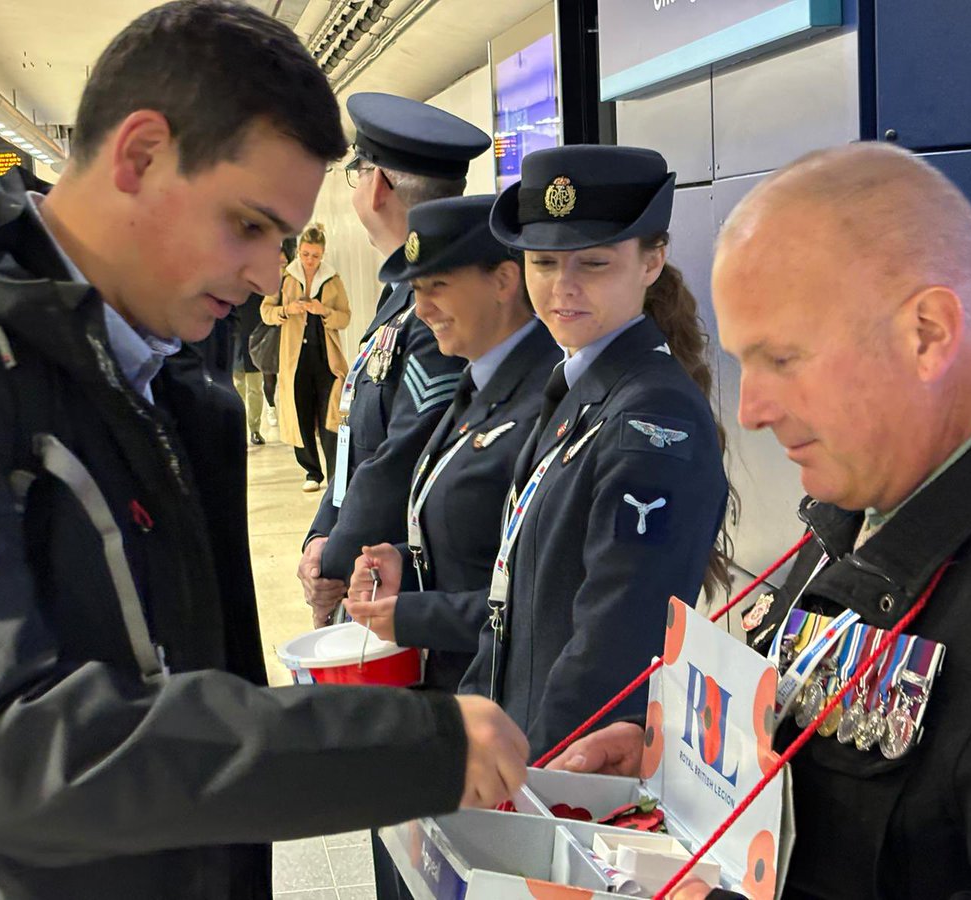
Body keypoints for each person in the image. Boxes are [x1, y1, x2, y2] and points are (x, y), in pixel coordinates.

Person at [0, 4, 528, 899]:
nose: (265, 277)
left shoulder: (162, 380)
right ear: (139, 155)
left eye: (281, 240)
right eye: (248, 227)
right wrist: (407, 746)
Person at [549, 143, 971, 899]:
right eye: (746, 364)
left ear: (929, 334)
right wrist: (681, 767)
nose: (750, 411)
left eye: (783, 359)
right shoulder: (861, 505)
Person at [443, 145, 732, 761]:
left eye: (594, 263)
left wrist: (534, 785)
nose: (561, 288)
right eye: (542, 262)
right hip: (524, 742)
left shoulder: (652, 417)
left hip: (577, 774)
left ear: (652, 261)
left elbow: (613, 641)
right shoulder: (580, 388)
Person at [343, 194, 561, 691]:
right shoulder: (479, 380)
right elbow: (472, 547)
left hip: (504, 700)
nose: (421, 309)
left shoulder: (547, 400)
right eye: (416, 289)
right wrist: (403, 564)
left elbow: (541, 603)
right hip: (459, 685)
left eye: (437, 286)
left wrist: (413, 615)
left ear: (505, 281)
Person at [299, 92, 489, 625]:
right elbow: (354, 443)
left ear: (377, 184)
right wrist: (321, 532)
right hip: (366, 570)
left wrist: (332, 562)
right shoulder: (397, 299)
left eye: (356, 172)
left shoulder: (436, 319)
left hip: (396, 586)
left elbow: (399, 458)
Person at [262, 223, 351, 490]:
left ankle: (336, 474)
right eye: (305, 254)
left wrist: (323, 310)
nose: (309, 260)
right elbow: (266, 312)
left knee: (331, 418)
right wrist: (287, 309)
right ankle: (311, 472)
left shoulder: (333, 280)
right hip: (295, 359)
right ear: (298, 251)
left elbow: (345, 317)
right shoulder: (284, 278)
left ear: (322, 254)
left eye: (314, 255)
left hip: (326, 359)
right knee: (300, 415)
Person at [233, 291, 268, 445]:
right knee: (236, 388)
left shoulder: (256, 289)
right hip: (234, 342)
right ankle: (238, 429)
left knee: (255, 388)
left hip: (255, 342)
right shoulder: (228, 286)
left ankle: (255, 429)